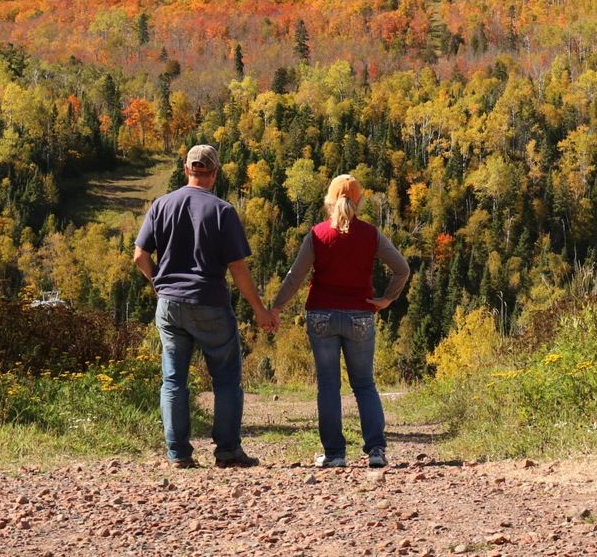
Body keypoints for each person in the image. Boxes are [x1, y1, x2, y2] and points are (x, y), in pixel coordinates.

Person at [133, 144, 275, 469]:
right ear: (214, 173)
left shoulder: (161, 205)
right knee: (225, 380)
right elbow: (239, 269)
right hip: (209, 302)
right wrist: (259, 309)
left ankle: (178, 454)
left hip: (170, 305)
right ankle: (227, 452)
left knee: (173, 380)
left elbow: (140, 256)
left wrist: (160, 284)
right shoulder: (222, 211)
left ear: (186, 170)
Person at [268, 174, 410, 469]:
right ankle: (375, 451)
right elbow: (402, 269)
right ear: (358, 202)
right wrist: (387, 299)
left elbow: (295, 276)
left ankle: (334, 454)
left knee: (329, 386)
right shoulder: (371, 234)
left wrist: (276, 307)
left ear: (329, 202)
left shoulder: (317, 234)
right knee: (364, 385)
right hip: (360, 315)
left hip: (321, 315)